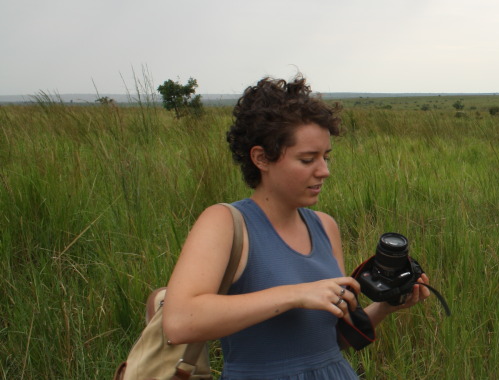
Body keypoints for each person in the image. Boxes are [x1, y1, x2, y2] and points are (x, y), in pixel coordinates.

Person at [162, 76, 431, 379]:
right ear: (261, 158)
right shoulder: (225, 222)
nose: (324, 171)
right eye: (307, 159)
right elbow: (180, 321)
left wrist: (386, 307)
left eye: (326, 157)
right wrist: (295, 294)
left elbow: (327, 343)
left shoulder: (325, 226)